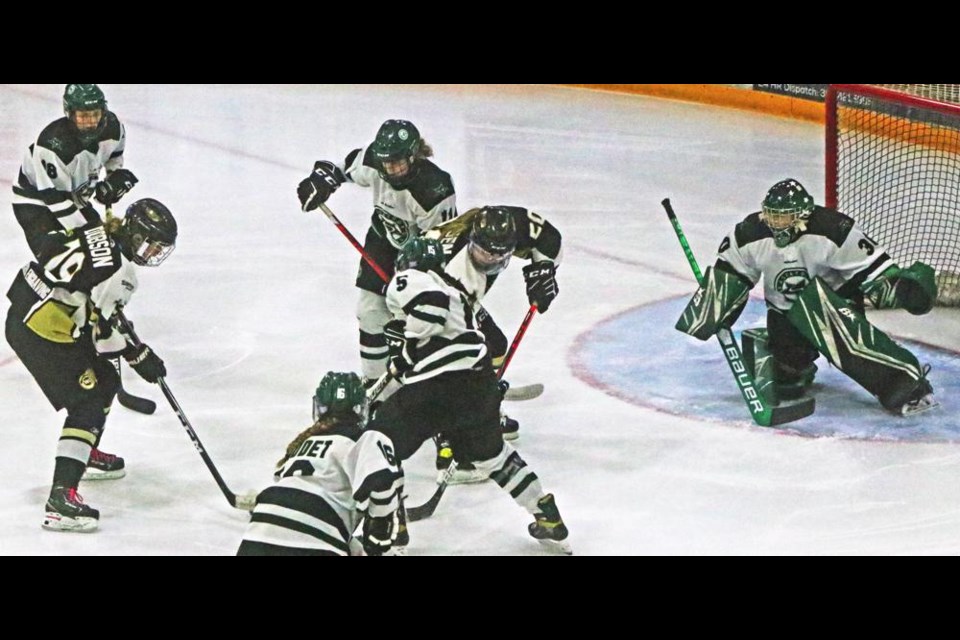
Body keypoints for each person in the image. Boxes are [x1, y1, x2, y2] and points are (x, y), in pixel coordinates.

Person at [367, 236, 572, 554]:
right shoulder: (460, 294)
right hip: (478, 385)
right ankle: (545, 514)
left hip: (435, 386)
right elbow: (479, 341)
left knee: (379, 443)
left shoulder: (413, 279)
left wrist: (408, 353)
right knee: (495, 458)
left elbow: (430, 308)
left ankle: (392, 526)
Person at [676, 178, 939, 416]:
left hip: (832, 305)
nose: (776, 224)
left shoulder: (833, 230)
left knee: (846, 342)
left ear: (802, 216)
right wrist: (716, 304)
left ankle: (904, 381)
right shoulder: (749, 233)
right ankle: (790, 360)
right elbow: (731, 272)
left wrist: (903, 289)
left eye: (784, 218)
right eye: (772, 216)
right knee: (786, 381)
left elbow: (874, 270)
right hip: (784, 312)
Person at [5, 198, 177, 532]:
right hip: (39, 329)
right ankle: (61, 499)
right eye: (152, 245)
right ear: (136, 236)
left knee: (106, 380)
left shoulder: (98, 232)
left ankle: (83, 450)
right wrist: (136, 355)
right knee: (88, 404)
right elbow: (100, 338)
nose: (153, 254)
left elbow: (52, 248)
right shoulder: (122, 274)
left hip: (30, 307)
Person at [296, 119, 457, 386]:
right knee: (370, 312)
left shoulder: (435, 190)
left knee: (419, 323)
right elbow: (340, 169)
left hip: (422, 258)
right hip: (382, 243)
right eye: (386, 162)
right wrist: (322, 181)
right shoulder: (373, 161)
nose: (391, 168)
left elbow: (443, 246)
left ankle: (432, 384)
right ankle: (374, 386)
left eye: (398, 162)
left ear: (413, 154)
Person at [425, 205, 562, 449]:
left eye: (499, 256)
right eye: (484, 253)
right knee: (455, 359)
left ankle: (482, 408)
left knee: (495, 345)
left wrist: (544, 270)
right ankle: (446, 423)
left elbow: (551, 240)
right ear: (472, 241)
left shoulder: (511, 226)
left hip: (454, 296)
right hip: (426, 298)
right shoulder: (456, 273)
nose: (491, 260)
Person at [237, 371, 404, 556]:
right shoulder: (364, 438)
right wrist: (380, 526)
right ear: (360, 408)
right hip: (317, 533)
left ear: (320, 407)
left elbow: (290, 498)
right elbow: (380, 480)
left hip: (259, 533)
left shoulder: (301, 445)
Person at [13, 84, 138, 259]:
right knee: (62, 262)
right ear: (70, 114)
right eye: (83, 116)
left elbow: (114, 155)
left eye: (95, 114)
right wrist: (91, 235)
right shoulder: (51, 146)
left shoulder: (114, 127)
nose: (91, 123)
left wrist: (113, 178)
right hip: (36, 204)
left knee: (103, 256)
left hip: (74, 197)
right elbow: (56, 200)